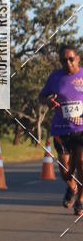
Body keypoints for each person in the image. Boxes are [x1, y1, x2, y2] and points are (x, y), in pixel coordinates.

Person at [39, 44, 83, 215]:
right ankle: (72, 187)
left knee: (81, 163)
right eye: (64, 61)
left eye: (71, 59)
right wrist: (48, 101)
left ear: (78, 58)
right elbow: (41, 96)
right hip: (61, 129)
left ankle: (81, 200)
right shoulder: (55, 77)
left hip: (81, 128)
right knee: (65, 170)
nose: (68, 63)